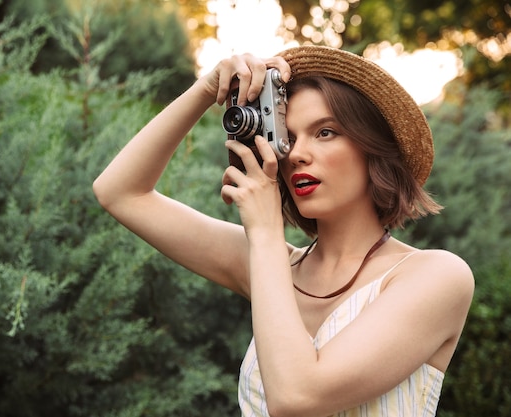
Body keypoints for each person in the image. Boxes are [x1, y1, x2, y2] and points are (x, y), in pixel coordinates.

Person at [93, 45, 474, 417]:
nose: (295, 154)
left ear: (374, 148)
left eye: (325, 132)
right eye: (287, 136)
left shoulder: (436, 276)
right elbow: (120, 193)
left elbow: (296, 398)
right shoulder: (272, 264)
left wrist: (264, 232)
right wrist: (208, 89)